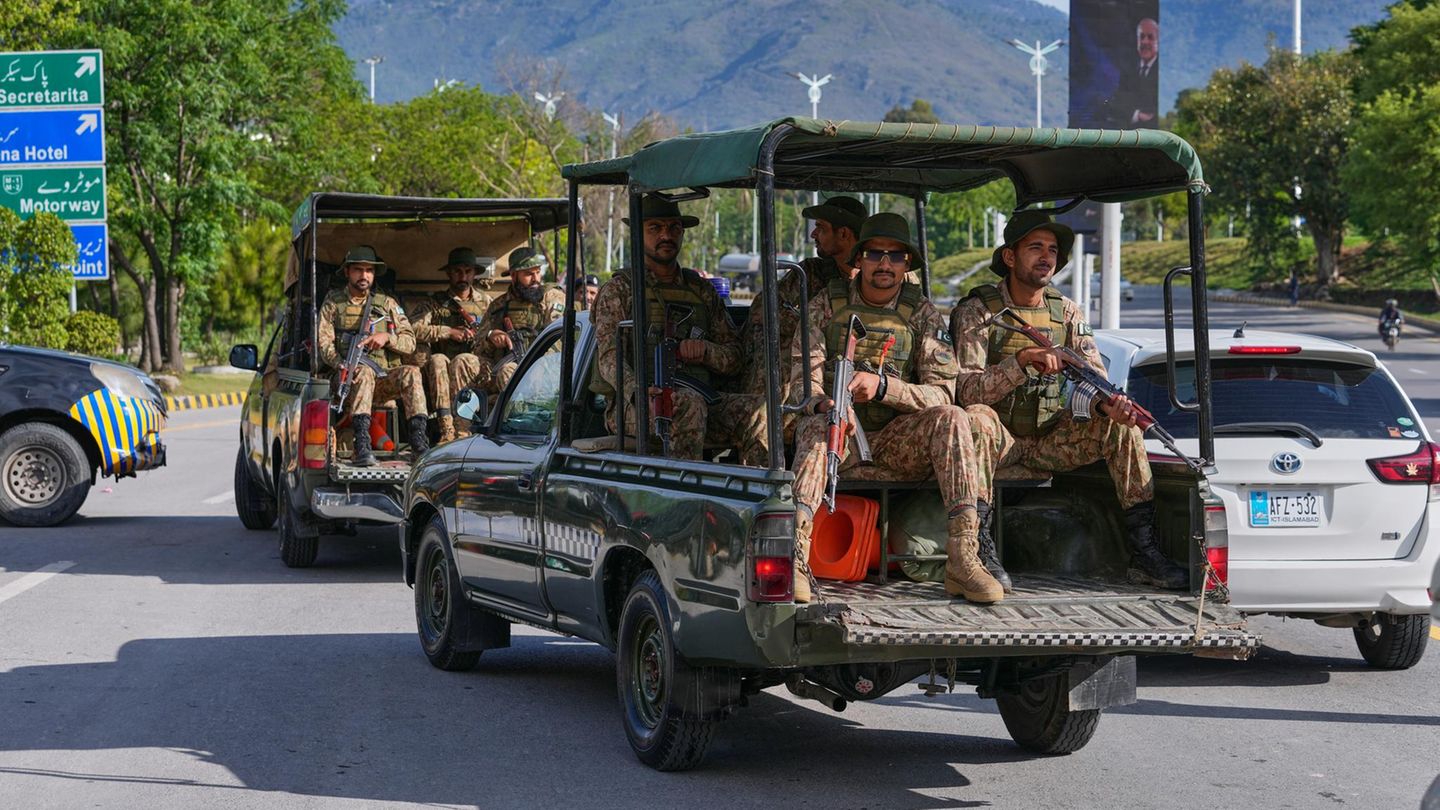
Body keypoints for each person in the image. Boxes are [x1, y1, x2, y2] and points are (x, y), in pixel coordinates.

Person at [950, 211, 1187, 591]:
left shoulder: (1067, 313)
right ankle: (977, 550)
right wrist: (1021, 363)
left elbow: (1093, 377)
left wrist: (1106, 405)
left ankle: (1145, 553)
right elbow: (965, 391)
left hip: (1048, 440)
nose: (1046, 257)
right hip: (998, 443)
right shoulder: (978, 312)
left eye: (1052, 250)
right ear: (1010, 257)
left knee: (1120, 427)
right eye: (1035, 248)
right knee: (975, 417)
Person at [788, 213, 1001, 605]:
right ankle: (796, 555)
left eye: (895, 256)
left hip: (895, 441)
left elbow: (943, 393)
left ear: (906, 265)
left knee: (955, 418)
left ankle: (963, 556)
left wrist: (885, 387)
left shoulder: (921, 314)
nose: (885, 264)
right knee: (818, 427)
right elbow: (803, 381)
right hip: (841, 439)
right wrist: (826, 402)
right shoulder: (825, 305)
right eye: (874, 254)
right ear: (859, 259)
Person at [590, 194, 767, 466]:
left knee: (760, 411)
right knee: (687, 404)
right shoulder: (621, 290)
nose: (666, 235)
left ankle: (753, 496)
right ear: (638, 233)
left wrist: (706, 353)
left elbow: (735, 357)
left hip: (699, 398)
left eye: (674, 228)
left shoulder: (701, 291)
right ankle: (685, 497)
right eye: (655, 228)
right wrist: (638, 391)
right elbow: (609, 358)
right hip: (636, 406)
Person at [741, 195, 867, 398]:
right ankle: (771, 418)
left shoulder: (882, 276)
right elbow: (761, 309)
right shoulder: (810, 272)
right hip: (815, 364)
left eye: (821, 228)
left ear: (843, 234)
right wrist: (814, 329)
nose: (813, 234)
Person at [317, 245, 428, 466]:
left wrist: (388, 337)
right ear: (348, 272)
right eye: (358, 270)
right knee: (364, 371)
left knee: (412, 373)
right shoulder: (333, 303)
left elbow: (410, 342)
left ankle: (419, 443)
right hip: (344, 382)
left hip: (381, 380)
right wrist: (340, 364)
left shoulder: (387, 304)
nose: (364, 275)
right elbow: (324, 342)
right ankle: (361, 445)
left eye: (369, 270)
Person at [410, 247, 495, 442]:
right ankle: (447, 428)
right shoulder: (436, 303)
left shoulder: (488, 303)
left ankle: (466, 428)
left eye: (468, 271)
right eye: (457, 271)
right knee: (438, 360)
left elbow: (498, 332)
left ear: (474, 273)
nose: (462, 276)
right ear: (449, 273)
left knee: (463, 361)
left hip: (479, 366)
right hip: (445, 371)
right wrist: (447, 332)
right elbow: (412, 328)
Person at [477, 246, 568, 393]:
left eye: (538, 272)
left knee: (509, 371)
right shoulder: (499, 306)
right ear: (513, 276)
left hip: (546, 368)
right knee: (464, 361)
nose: (536, 279)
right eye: (528, 274)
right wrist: (490, 337)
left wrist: (539, 363)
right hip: (506, 366)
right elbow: (477, 344)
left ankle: (519, 415)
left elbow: (560, 337)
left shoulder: (551, 297)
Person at [1110, 17, 1159, 128]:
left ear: (1158, 41)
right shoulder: (1128, 72)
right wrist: (1138, 115)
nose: (1145, 42)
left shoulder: (1163, 72)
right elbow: (1116, 105)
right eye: (1141, 37)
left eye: (1150, 37)